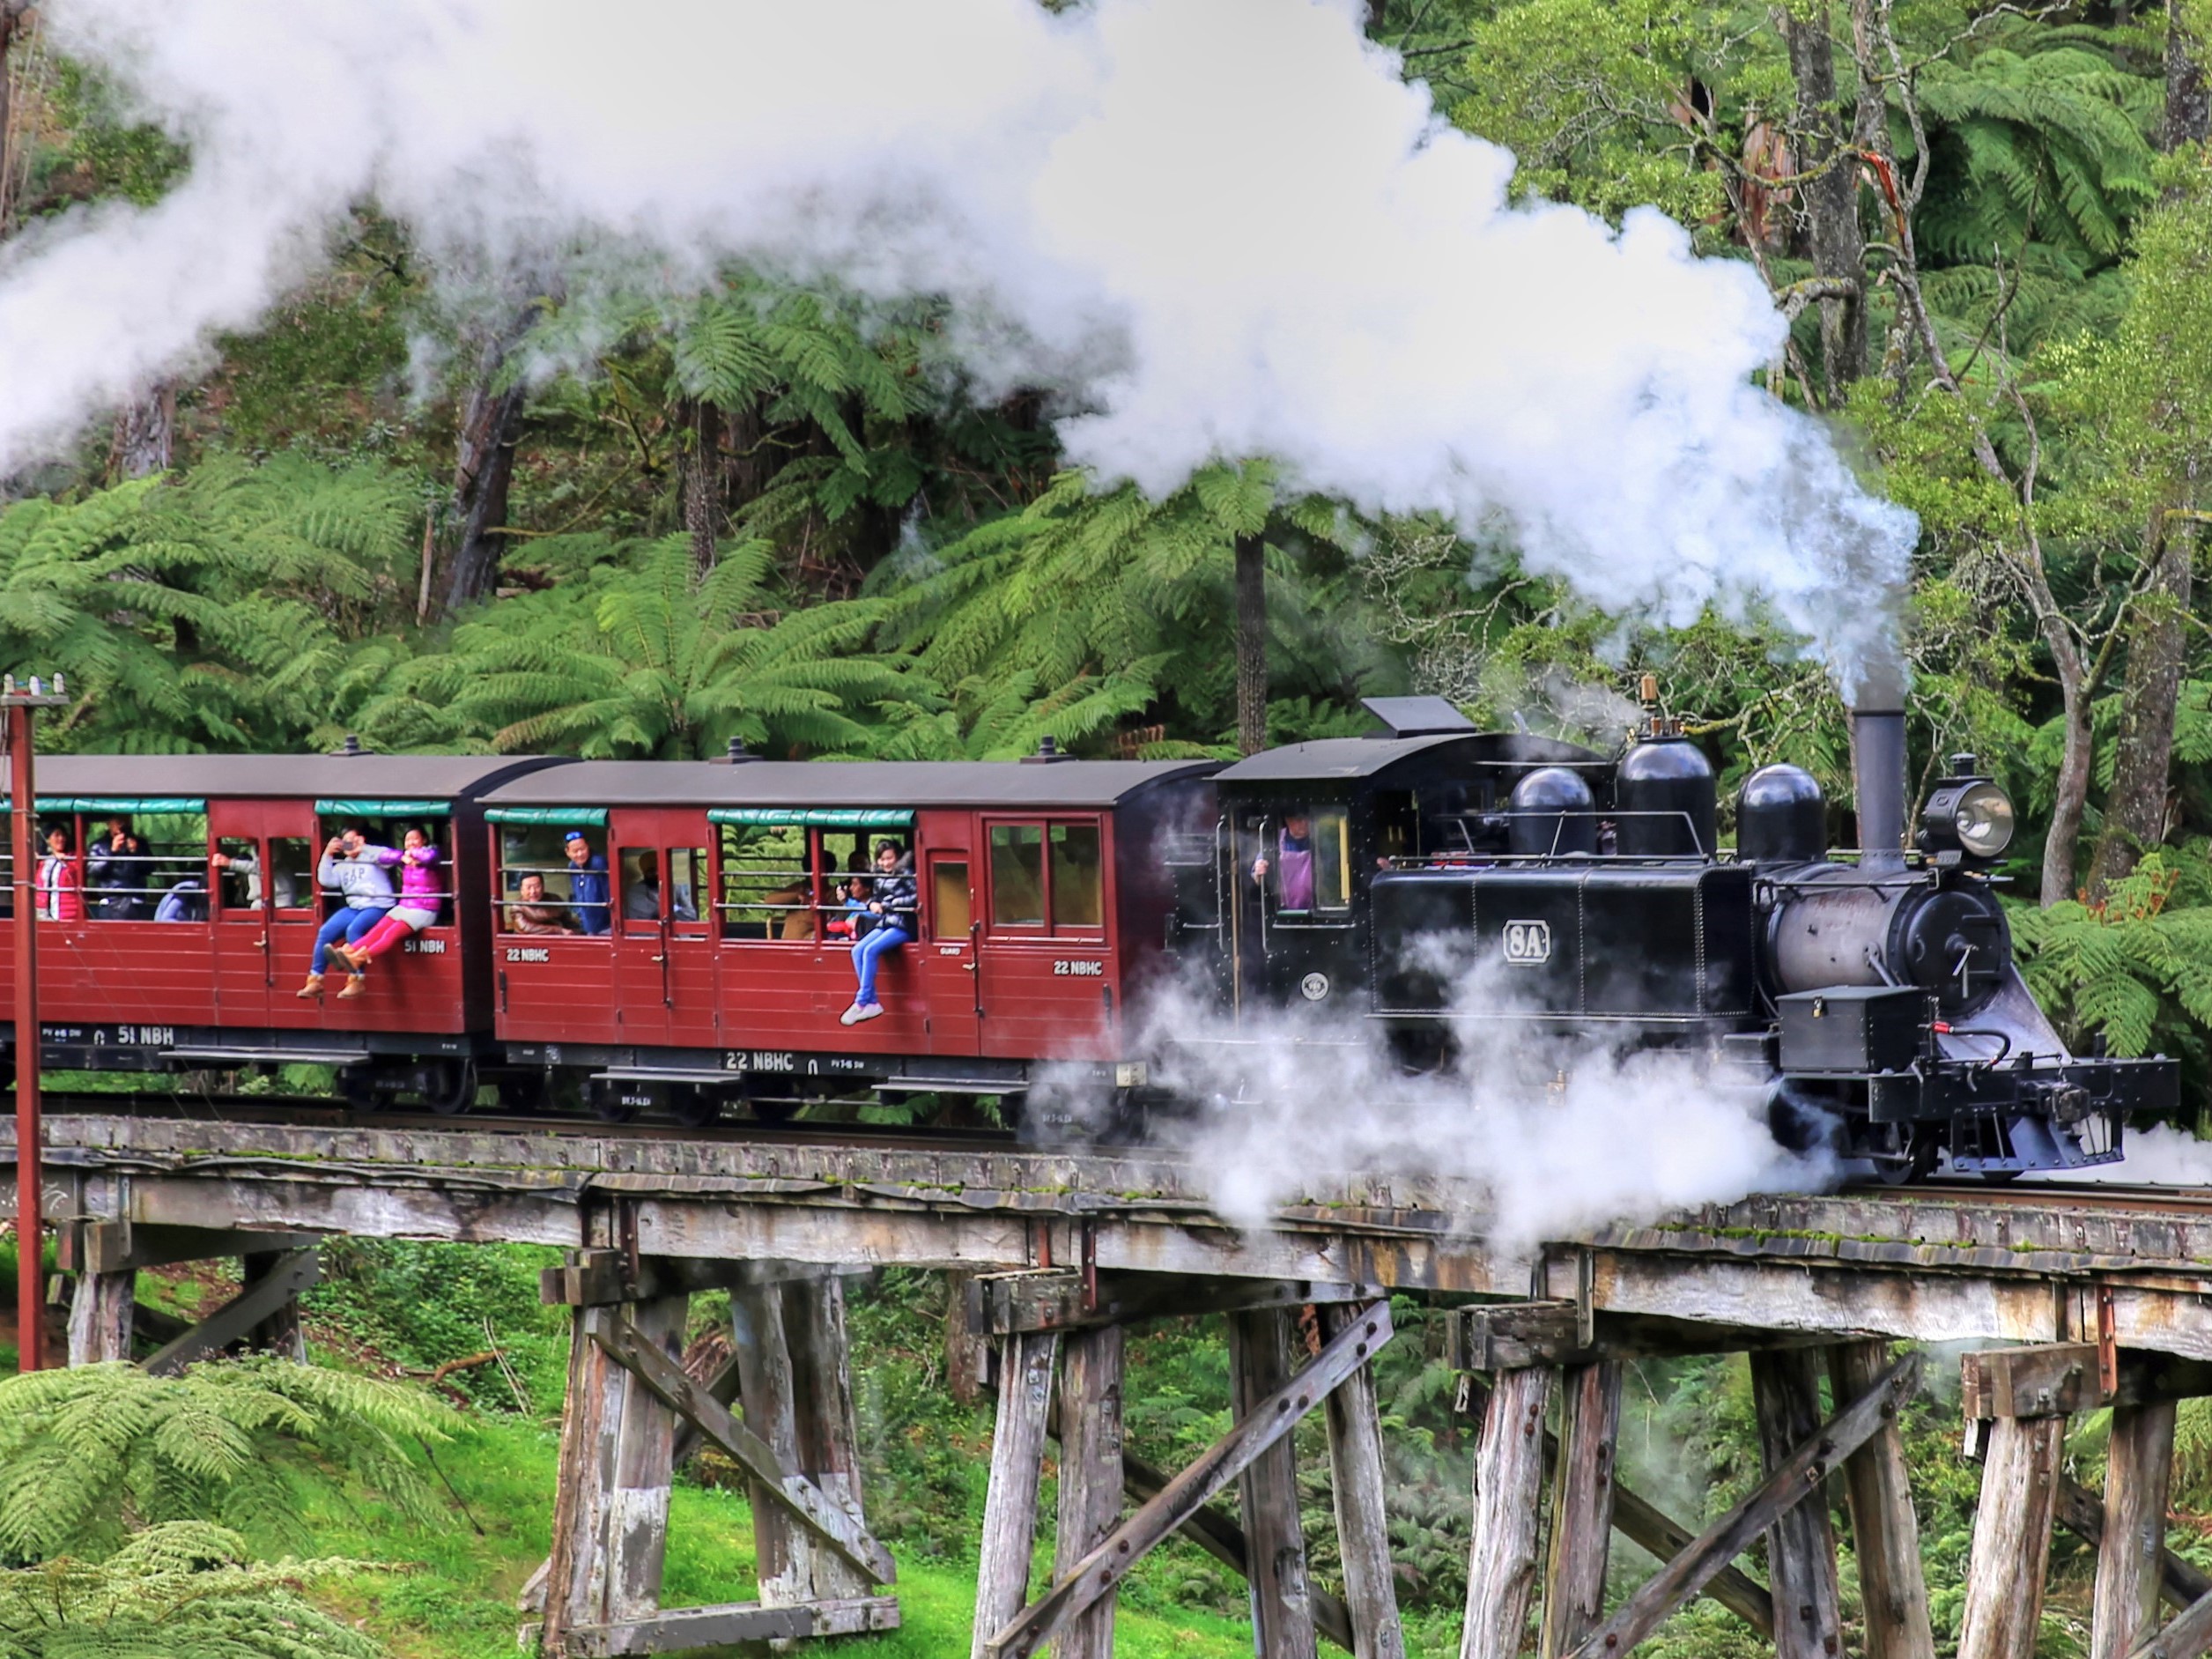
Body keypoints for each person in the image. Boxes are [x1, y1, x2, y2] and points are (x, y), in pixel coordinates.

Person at [331, 829, 442, 990]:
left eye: (414, 839)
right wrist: (365, 848)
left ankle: (358, 958)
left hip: (424, 909)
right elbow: (385, 856)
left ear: (424, 840)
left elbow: (430, 857)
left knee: (391, 933)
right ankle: (348, 952)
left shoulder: (431, 853)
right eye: (407, 840)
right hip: (405, 906)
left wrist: (413, 854)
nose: (410, 843)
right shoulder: (406, 857)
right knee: (379, 928)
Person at [299, 827, 396, 1000]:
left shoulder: (372, 857)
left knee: (353, 930)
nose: (349, 846)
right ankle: (315, 980)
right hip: (355, 907)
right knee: (325, 931)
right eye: (346, 843)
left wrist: (363, 847)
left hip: (378, 905)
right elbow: (326, 880)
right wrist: (327, 854)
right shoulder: (343, 866)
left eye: (352, 841)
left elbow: (389, 857)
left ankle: (356, 980)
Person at [840, 841, 914, 1026]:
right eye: (882, 859)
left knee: (871, 950)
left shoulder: (906, 874)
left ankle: (862, 1001)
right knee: (857, 950)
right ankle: (872, 1001)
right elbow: (876, 898)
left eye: (890, 858)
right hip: (886, 922)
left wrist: (888, 905)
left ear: (897, 857)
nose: (886, 863)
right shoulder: (879, 876)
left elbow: (916, 897)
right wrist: (872, 903)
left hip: (904, 925)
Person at [86, 819, 150, 920]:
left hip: (135, 900)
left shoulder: (140, 843)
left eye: (124, 818)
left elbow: (149, 868)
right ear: (108, 823)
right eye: (117, 819)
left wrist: (135, 852)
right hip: (110, 901)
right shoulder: (98, 845)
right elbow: (94, 871)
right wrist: (112, 852)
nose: (121, 823)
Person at [1253, 812, 1316, 911]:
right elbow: (1257, 878)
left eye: (1307, 819)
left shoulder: (1319, 838)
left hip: (1314, 908)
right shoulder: (1275, 840)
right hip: (1285, 910)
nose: (1304, 823)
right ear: (1288, 820)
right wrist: (1259, 870)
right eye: (1299, 820)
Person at [565, 833, 610, 935]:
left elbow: (609, 893)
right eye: (575, 851)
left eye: (583, 849)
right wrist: (578, 912)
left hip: (605, 925)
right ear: (567, 852)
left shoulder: (598, 863)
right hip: (586, 924)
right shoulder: (572, 866)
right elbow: (575, 893)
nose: (580, 854)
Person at [36, 826, 82, 922]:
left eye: (63, 835)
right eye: (57, 835)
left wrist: (65, 862)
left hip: (66, 912)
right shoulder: (42, 861)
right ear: (48, 840)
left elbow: (77, 874)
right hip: (43, 911)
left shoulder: (72, 857)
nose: (61, 839)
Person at [507, 872, 577, 935]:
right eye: (528, 888)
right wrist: (559, 930)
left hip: (557, 941)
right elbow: (526, 928)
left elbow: (568, 922)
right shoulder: (517, 907)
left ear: (543, 887)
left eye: (537, 886)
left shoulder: (554, 899)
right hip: (530, 946)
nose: (533, 891)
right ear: (522, 890)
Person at [824, 874, 870, 939]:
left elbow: (866, 910)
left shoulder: (871, 908)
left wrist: (846, 900)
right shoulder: (851, 906)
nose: (851, 888)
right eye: (851, 884)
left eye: (855, 884)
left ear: (867, 888)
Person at [625, 850, 662, 922]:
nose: (656, 874)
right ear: (644, 872)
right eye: (652, 871)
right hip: (643, 931)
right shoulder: (635, 891)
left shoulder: (673, 887)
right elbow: (658, 911)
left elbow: (688, 911)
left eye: (659, 870)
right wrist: (676, 908)